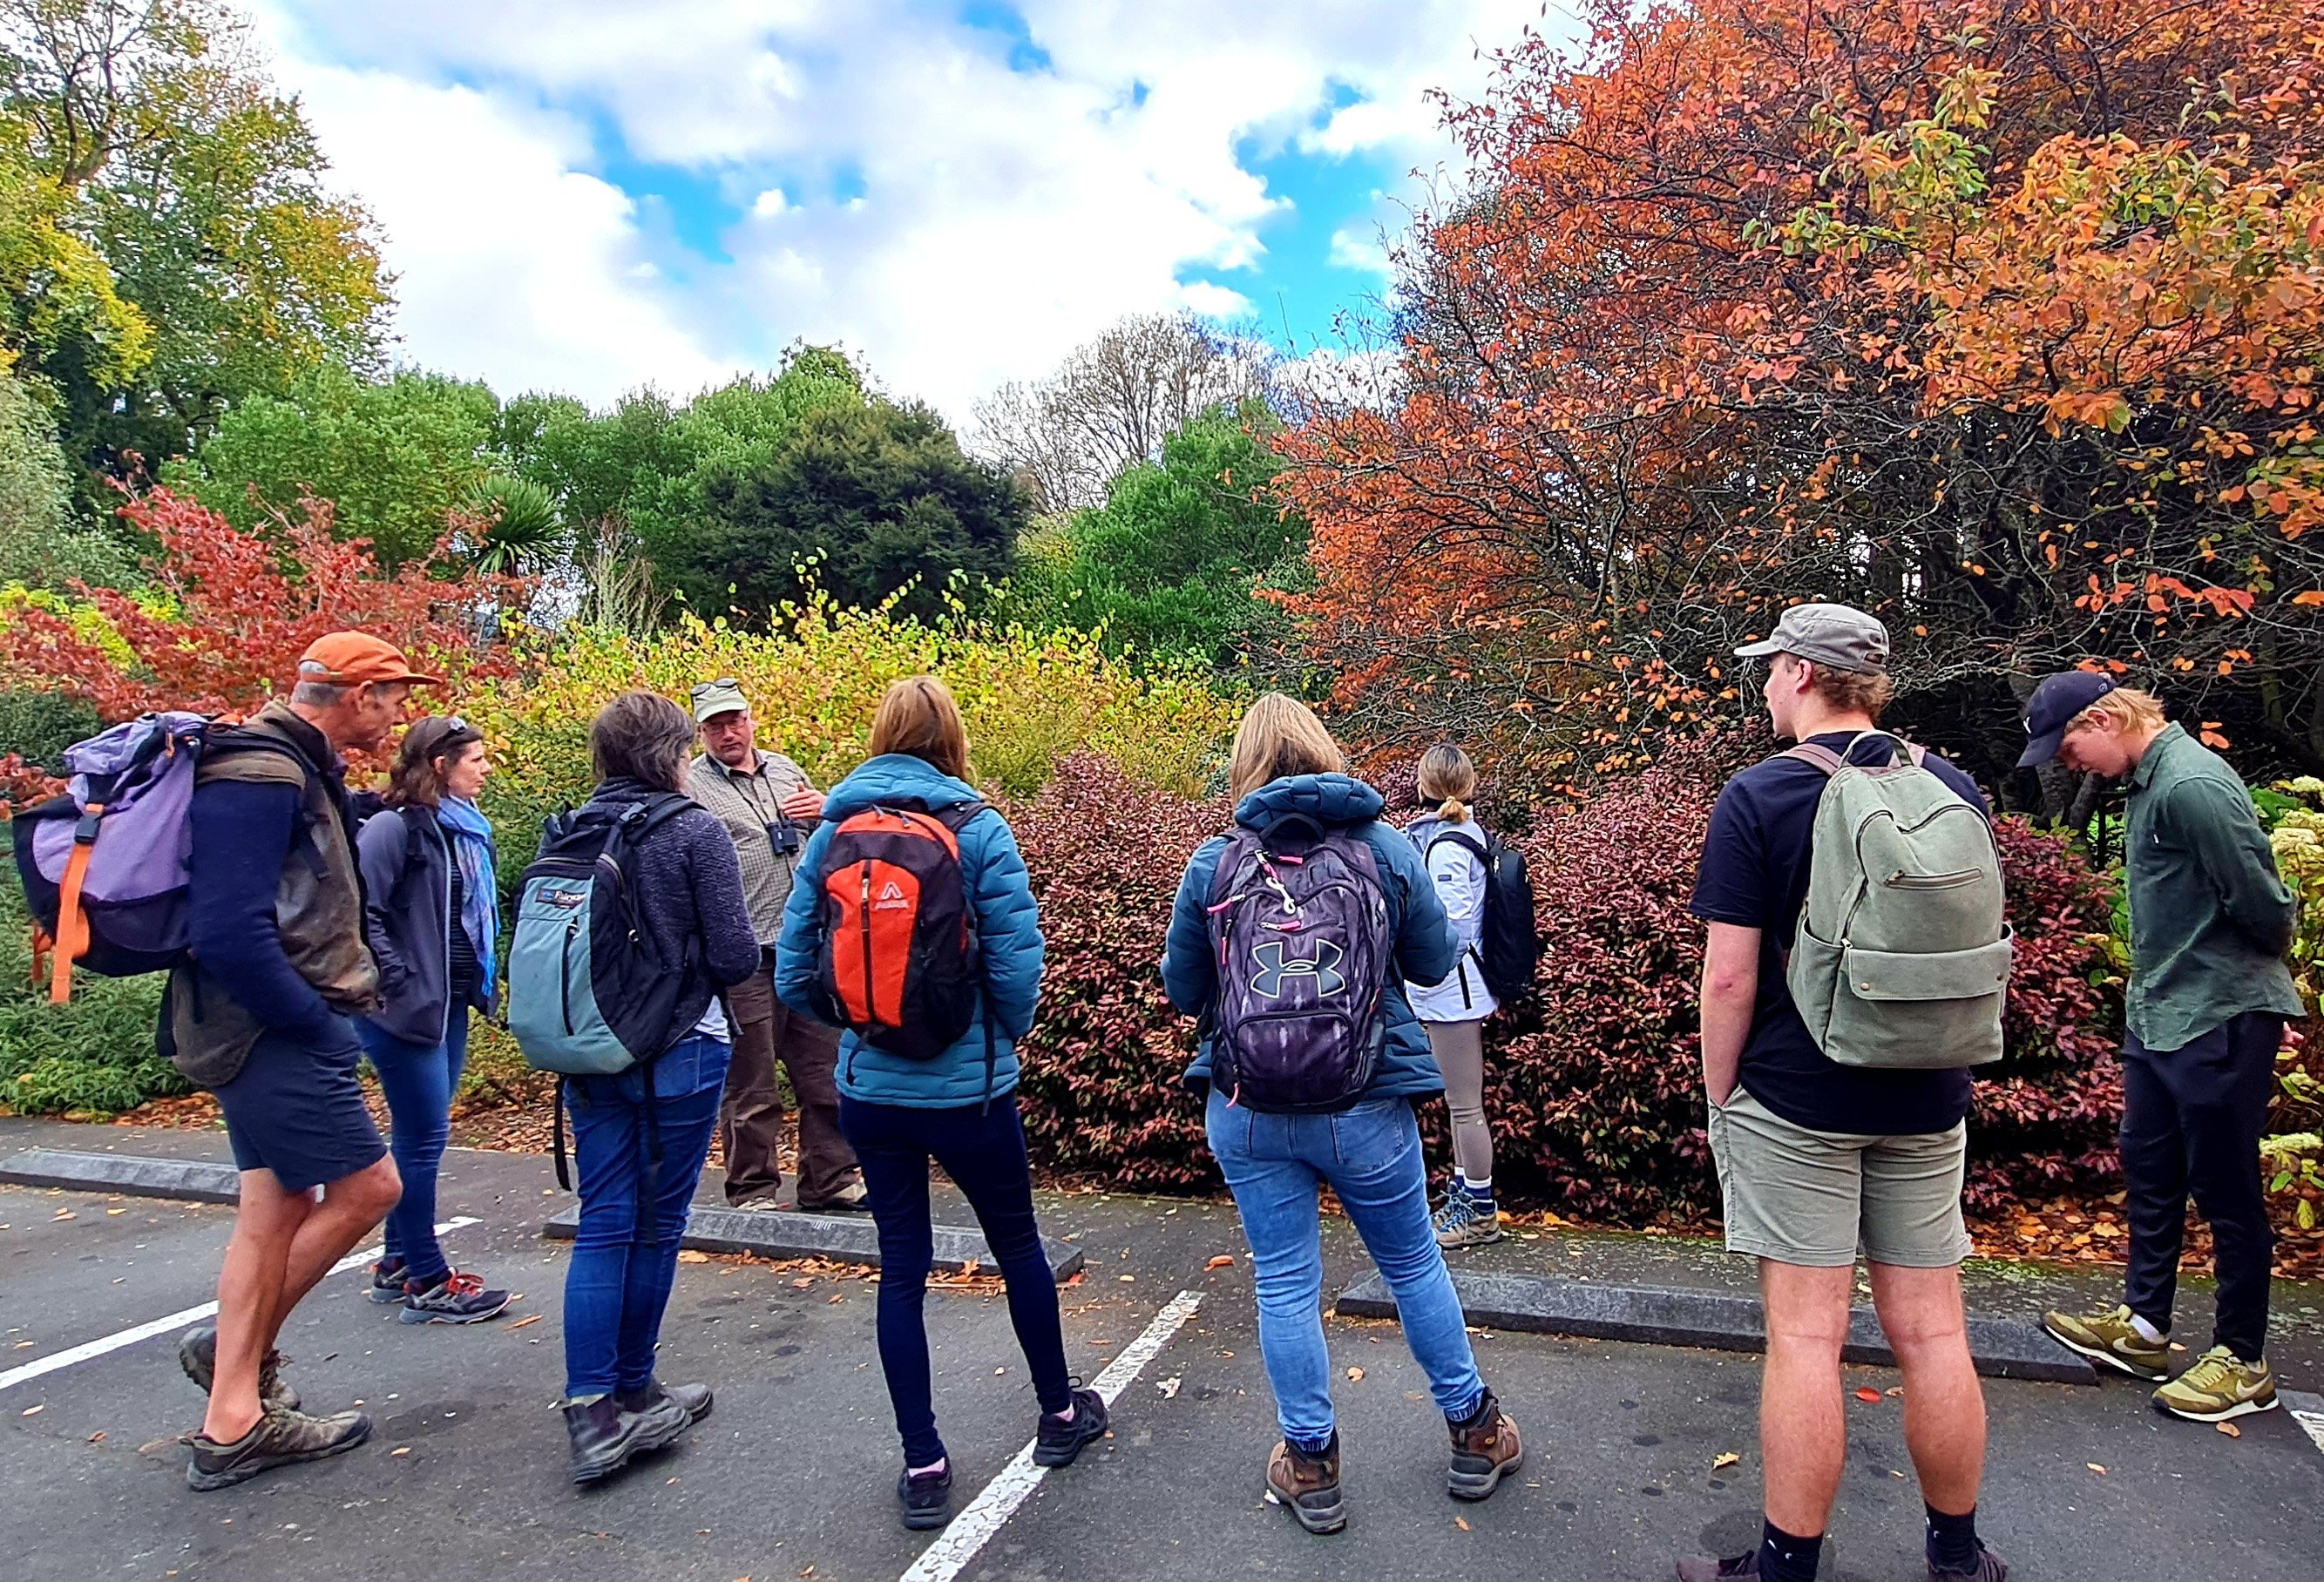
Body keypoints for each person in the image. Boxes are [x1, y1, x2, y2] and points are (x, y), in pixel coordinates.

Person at [1684, 604, 2003, 1582]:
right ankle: (1958, 1558)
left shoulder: (1760, 796)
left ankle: (1786, 1567)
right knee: (1935, 1331)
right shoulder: (1949, 785)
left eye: (1773, 668)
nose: (1767, 685)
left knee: (1808, 1337)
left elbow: (1730, 977)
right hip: (1928, 1092)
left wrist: (1720, 1093)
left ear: (1805, 675)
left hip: (1799, 1102)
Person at [1162, 693, 1522, 1537]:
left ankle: (1311, 1464)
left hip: (1248, 1108)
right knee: (1411, 1263)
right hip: (1365, 1105)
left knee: (1285, 1278)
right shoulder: (1384, 847)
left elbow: (1184, 991)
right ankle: (1476, 1431)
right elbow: (1435, 958)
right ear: (1325, 752)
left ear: (1245, 763)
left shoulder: (1215, 862)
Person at [774, 675, 1105, 1531]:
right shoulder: (979, 829)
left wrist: (861, 1023)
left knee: (901, 1266)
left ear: (882, 735)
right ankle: (1059, 1415)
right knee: (1018, 1246)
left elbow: (792, 975)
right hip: (972, 1091)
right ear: (953, 740)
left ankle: (922, 1461)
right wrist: (999, 1038)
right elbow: (1018, 967)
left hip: (869, 1092)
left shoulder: (834, 832)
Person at [169, 633, 433, 1491]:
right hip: (270, 1030)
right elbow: (228, 931)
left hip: (253, 1028)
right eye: (392, 695)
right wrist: (315, 1028)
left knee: (273, 1207)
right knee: (371, 1188)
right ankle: (234, 1367)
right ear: (354, 694)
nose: (399, 711)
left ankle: (233, 1402)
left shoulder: (291, 766)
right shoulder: (262, 773)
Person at [2025, 673, 2303, 1422]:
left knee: (2224, 1188)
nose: (2069, 762)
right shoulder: (2146, 785)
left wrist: (2242, 981)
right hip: (2159, 1015)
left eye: (2070, 745)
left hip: (2218, 1013)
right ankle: (2144, 1327)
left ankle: (2242, 1359)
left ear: (2108, 718)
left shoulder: (2191, 785)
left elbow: (2265, 904)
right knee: (2151, 1169)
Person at [556, 692, 762, 1485]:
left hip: (587, 1049)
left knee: (604, 1218)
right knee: (656, 1222)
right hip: (677, 1048)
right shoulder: (691, 829)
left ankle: (594, 1406)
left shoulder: (576, 825)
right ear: (669, 754)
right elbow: (737, 955)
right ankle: (629, 1391)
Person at [685, 678, 865, 1211]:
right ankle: (753, 1190)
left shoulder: (786, 770)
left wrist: (827, 813)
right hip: (744, 954)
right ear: (700, 733)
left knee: (824, 1072)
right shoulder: (693, 787)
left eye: (735, 720)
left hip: (807, 948)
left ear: (751, 719)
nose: (728, 732)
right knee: (751, 1082)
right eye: (715, 725)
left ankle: (830, 1180)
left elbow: (833, 842)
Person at [355, 716, 509, 1324]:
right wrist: (399, 980)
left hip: (446, 1005)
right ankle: (426, 1278)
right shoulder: (395, 830)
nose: (486, 768)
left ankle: (396, 1263)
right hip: (406, 1010)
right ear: (440, 766)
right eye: (475, 758)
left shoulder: (462, 832)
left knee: (418, 1138)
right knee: (422, 1142)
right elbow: (359, 914)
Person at [1403, 744, 1505, 1249]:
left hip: (1453, 993)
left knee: (1464, 1106)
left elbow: (1453, 925)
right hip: (1457, 990)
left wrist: (1418, 963)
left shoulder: (1446, 845)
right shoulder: (1467, 834)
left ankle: (1480, 1212)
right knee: (1459, 1104)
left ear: (1424, 785)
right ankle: (1466, 1199)